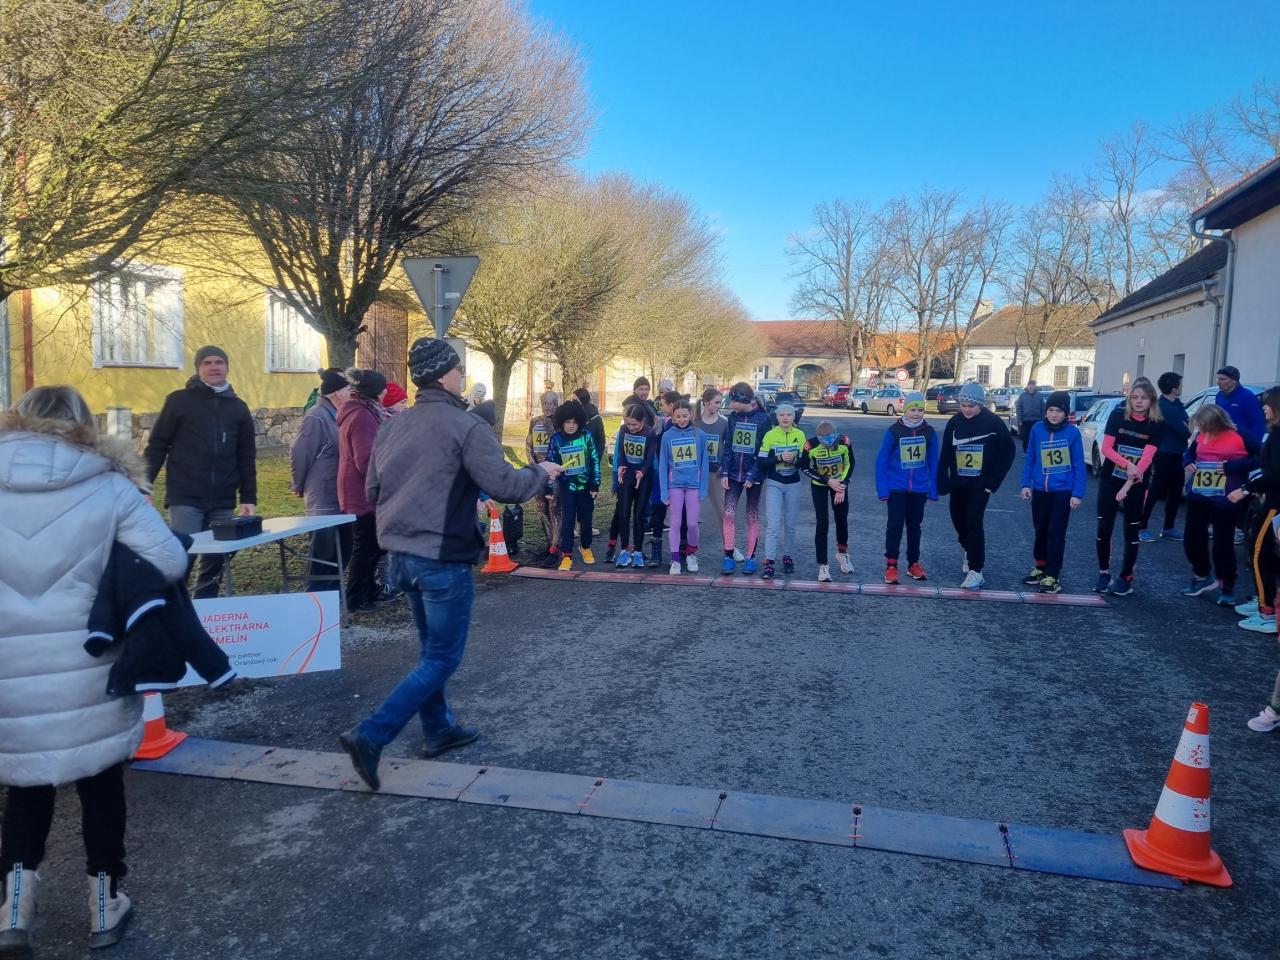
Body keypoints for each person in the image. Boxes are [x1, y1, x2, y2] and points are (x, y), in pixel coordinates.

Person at [1, 386, 190, 952]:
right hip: (91, 657)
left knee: (26, 782)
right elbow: (169, 559)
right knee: (101, 781)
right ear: (84, 422)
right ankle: (105, 903)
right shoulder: (108, 484)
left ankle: (14, 905)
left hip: (9, 666)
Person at [338, 338, 563, 790]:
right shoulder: (465, 426)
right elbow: (505, 485)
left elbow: (374, 489)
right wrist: (542, 473)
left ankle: (438, 729)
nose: (463, 376)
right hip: (441, 557)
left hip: (400, 557)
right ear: (443, 375)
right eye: (459, 369)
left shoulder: (392, 425)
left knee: (431, 652)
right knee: (442, 657)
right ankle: (372, 734)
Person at [143, 344, 257, 598]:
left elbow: (246, 456)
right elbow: (157, 446)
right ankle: (173, 608)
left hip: (224, 499)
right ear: (198, 369)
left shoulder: (238, 407)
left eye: (219, 362)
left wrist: (248, 497)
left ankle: (205, 607)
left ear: (227, 367)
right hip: (186, 496)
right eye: (207, 363)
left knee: (217, 560)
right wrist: (143, 486)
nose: (214, 367)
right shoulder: (178, 401)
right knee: (181, 556)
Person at [937, 382, 1015, 590]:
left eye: (971, 406)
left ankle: (976, 570)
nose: (967, 409)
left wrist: (993, 482)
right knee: (958, 520)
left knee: (973, 521)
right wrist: (942, 480)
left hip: (981, 484)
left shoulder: (994, 423)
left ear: (980, 404)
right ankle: (969, 549)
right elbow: (945, 453)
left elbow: (1008, 452)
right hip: (958, 482)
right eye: (963, 405)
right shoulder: (954, 422)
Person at [1179, 404, 1256, 607]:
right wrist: (1188, 462)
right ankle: (1202, 575)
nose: (1203, 431)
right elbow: (1190, 453)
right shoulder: (1201, 434)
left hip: (1226, 497)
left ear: (1217, 422)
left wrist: (1232, 466)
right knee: (1192, 538)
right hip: (1199, 494)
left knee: (1222, 544)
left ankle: (1226, 585)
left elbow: (1261, 458)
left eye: (1206, 426)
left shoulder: (1240, 435)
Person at [1094, 377, 1163, 597]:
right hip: (1111, 477)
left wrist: (1131, 479)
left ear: (1152, 400)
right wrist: (1127, 465)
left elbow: (1147, 457)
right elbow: (1106, 448)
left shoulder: (1156, 423)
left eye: (1144, 398)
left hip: (1138, 482)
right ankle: (1104, 573)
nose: (1138, 401)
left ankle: (1126, 577)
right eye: (1135, 397)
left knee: (1131, 529)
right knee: (1104, 527)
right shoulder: (1117, 415)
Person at [1018, 391, 1086, 595]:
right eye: (1051, 410)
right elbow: (1030, 457)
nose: (1054, 414)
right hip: (1040, 489)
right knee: (1040, 529)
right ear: (1045, 411)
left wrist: (1077, 493)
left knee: (1056, 532)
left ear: (1066, 413)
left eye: (1059, 411)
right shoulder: (1037, 429)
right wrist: (1025, 484)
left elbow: (1079, 464)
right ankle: (1040, 566)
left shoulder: (1073, 433)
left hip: (1062, 491)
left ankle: (1053, 574)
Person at [290, 368, 352, 591]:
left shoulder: (338, 414)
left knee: (343, 548)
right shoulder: (316, 416)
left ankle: (332, 597)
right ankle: (315, 597)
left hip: (340, 495)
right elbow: (300, 454)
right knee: (322, 551)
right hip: (323, 496)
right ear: (336, 394)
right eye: (348, 390)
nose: (351, 393)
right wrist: (297, 484)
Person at [1230, 386, 1280, 635]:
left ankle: (1267, 611)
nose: (1264, 407)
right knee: (1265, 554)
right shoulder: (1274, 433)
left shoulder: (1278, 435)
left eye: (1268, 403)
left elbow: (1276, 474)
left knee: (1260, 553)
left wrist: (1246, 489)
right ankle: (1265, 600)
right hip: (1271, 500)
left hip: (1275, 503)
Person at [338, 368, 389, 611]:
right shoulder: (362, 416)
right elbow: (366, 459)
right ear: (377, 392)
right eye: (384, 388)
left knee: (372, 545)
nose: (386, 392)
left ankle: (368, 590)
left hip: (361, 489)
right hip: (361, 492)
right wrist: (383, 482)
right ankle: (356, 598)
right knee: (365, 546)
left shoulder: (364, 411)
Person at [874, 391, 938, 584]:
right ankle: (891, 565)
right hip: (896, 487)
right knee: (894, 526)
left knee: (915, 527)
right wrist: (882, 489)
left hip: (919, 488)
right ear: (905, 410)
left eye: (920, 410)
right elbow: (881, 460)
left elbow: (934, 461)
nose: (916, 414)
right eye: (912, 410)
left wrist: (933, 488)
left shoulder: (929, 432)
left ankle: (913, 563)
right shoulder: (894, 431)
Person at [719, 382, 771, 574]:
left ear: (744, 400)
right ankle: (728, 555)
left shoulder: (764, 419)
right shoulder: (732, 418)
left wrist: (753, 474)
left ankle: (751, 557)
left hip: (753, 476)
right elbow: (728, 447)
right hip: (733, 474)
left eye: (733, 401)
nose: (731, 405)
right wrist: (725, 472)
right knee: (729, 514)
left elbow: (765, 450)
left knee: (752, 515)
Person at [547, 401, 601, 571]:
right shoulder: (556, 439)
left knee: (586, 518)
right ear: (561, 422)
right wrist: (549, 488)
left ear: (579, 422)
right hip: (567, 488)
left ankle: (585, 547)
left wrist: (595, 484)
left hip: (585, 487)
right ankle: (567, 555)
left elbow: (594, 460)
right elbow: (550, 465)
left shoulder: (586, 436)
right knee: (568, 521)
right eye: (567, 422)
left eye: (574, 422)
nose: (571, 426)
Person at [658, 399, 709, 574]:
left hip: (694, 485)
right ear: (673, 417)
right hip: (675, 486)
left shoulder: (700, 435)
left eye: (685, 416)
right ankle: (675, 559)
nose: (681, 419)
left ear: (691, 415)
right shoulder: (667, 436)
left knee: (693, 523)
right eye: (678, 416)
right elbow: (663, 465)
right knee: (676, 522)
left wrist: (703, 488)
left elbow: (704, 463)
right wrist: (664, 491)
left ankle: (691, 553)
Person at [800, 421, 854, 582]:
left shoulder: (845, 441)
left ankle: (842, 554)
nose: (828, 445)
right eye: (824, 442)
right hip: (820, 485)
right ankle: (823, 565)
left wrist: (842, 485)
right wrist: (826, 480)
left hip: (839, 484)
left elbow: (850, 463)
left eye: (831, 441)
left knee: (841, 518)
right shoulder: (810, 445)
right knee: (822, 522)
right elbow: (805, 467)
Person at [758, 402, 807, 580]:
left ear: (794, 417)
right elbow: (761, 461)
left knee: (790, 524)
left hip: (793, 483)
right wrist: (779, 457)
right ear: (776, 417)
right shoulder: (770, 435)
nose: (785, 418)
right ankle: (769, 561)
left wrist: (794, 460)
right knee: (773, 525)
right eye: (781, 415)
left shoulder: (800, 435)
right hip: (775, 483)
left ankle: (787, 556)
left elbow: (805, 462)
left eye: (789, 415)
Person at [1140, 372, 1190, 542]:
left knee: (1175, 492)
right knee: (1155, 491)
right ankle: (1141, 527)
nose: (1182, 387)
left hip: (1177, 454)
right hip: (1164, 454)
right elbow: (1186, 431)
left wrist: (1188, 424)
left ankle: (1168, 528)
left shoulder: (1176, 404)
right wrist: (1188, 425)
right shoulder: (1165, 407)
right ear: (1173, 387)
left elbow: (1188, 423)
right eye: (1180, 384)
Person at [612, 405, 658, 569]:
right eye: (628, 423)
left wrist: (642, 472)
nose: (631, 427)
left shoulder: (650, 433)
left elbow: (650, 457)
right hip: (627, 476)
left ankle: (638, 551)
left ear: (642, 421)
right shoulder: (623, 429)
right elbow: (621, 451)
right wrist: (620, 466)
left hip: (643, 478)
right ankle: (625, 549)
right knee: (623, 514)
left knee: (638, 516)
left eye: (634, 425)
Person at [695, 388, 732, 545]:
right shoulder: (695, 423)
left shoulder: (723, 423)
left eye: (720, 402)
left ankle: (729, 547)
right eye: (716, 402)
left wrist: (724, 467)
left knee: (722, 512)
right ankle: (688, 550)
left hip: (715, 473)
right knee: (691, 514)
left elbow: (728, 448)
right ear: (706, 402)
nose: (718, 406)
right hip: (696, 473)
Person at [525, 393, 560, 560]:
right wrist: (534, 466)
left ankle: (556, 546)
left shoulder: (560, 422)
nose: (547, 406)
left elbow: (561, 444)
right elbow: (529, 445)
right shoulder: (535, 421)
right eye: (544, 403)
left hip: (554, 474)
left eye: (551, 403)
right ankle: (549, 543)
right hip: (539, 472)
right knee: (542, 509)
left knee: (554, 508)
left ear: (557, 404)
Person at [1214, 365, 1264, 446]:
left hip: (1243, 444)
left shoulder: (1247, 397)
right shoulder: (1219, 396)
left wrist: (1254, 445)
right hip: (1223, 443)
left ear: (1234, 380)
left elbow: (1258, 423)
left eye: (1222, 379)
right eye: (1217, 378)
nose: (1218, 382)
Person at [573, 388, 608, 474]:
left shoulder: (596, 418)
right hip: (574, 459)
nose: (572, 402)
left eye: (575, 400)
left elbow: (601, 441)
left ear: (582, 400)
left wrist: (596, 459)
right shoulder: (572, 417)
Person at [1014, 380, 1045, 453]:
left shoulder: (1039, 395)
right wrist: (1019, 420)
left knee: (1037, 437)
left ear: (1035, 386)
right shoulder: (1022, 395)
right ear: (1027, 386)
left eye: (1033, 385)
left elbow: (1043, 407)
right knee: (1026, 438)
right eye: (1030, 385)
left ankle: (1036, 452)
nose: (1031, 387)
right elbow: (1018, 408)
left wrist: (1043, 419)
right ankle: (1025, 452)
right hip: (1025, 420)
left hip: (1037, 420)